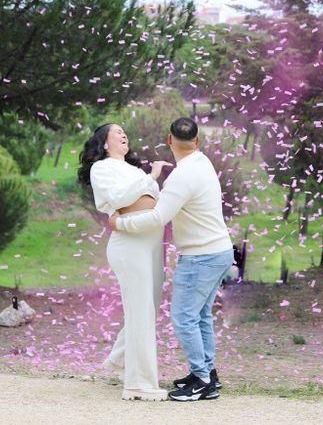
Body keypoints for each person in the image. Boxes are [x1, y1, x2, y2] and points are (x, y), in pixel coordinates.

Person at [110, 117, 233, 402]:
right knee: (200, 316)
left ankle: (202, 380)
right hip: (219, 251)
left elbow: (158, 217)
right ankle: (207, 374)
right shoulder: (203, 163)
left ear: (169, 140)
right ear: (198, 141)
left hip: (201, 256)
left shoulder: (181, 176)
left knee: (183, 318)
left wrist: (121, 224)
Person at [77, 123, 171, 401]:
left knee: (148, 309)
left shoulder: (133, 170)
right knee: (141, 310)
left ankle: (120, 358)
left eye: (124, 132)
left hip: (151, 243)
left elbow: (149, 197)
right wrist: (151, 177)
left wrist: (147, 180)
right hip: (129, 243)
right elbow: (119, 198)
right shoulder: (102, 168)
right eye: (116, 132)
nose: (123, 134)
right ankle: (138, 384)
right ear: (104, 142)